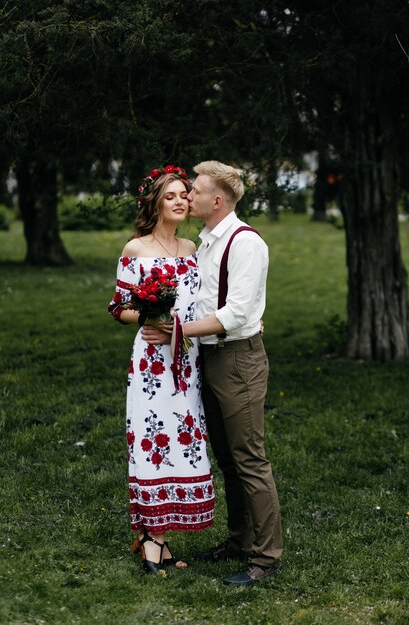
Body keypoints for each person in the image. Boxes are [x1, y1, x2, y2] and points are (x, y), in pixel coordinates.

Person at [142, 160, 282, 586]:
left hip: (239, 359)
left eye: (196, 191)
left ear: (216, 200)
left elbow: (236, 313)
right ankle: (239, 541)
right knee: (227, 458)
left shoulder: (245, 243)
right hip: (209, 358)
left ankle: (267, 557)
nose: (188, 196)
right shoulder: (205, 243)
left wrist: (175, 331)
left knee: (250, 460)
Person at [108, 164, 215, 574]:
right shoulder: (135, 249)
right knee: (154, 442)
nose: (180, 202)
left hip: (186, 360)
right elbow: (118, 308)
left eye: (183, 196)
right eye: (170, 196)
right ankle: (153, 537)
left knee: (181, 441)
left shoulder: (192, 249)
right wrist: (149, 319)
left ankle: (162, 538)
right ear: (154, 202)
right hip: (152, 363)